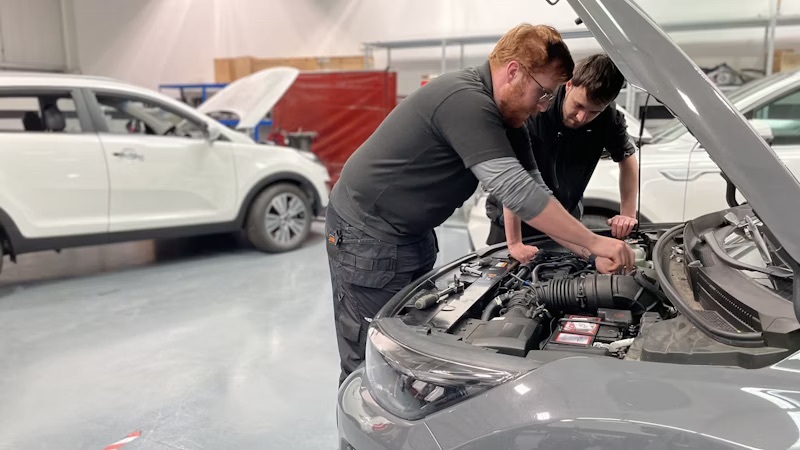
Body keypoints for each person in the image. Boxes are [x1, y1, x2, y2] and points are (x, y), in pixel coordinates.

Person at [326, 25, 635, 385]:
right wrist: (598, 242)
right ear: (514, 71)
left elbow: (535, 190)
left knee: (406, 346)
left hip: (412, 235)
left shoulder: (511, 119)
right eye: (543, 93)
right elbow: (512, 188)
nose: (543, 106)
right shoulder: (465, 100)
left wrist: (587, 251)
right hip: (366, 234)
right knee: (372, 361)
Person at [485, 54, 640, 260]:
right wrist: (515, 243)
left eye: (594, 111)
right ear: (569, 85)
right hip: (514, 220)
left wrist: (627, 214)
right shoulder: (536, 107)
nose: (582, 117)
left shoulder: (608, 118)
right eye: (579, 105)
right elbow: (511, 181)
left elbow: (627, 158)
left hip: (565, 220)